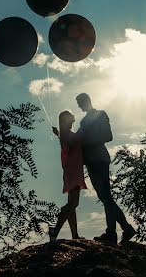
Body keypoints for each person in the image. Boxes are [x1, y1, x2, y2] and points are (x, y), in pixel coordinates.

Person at [58, 93, 137, 245]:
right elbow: (75, 141)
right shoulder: (83, 121)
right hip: (91, 162)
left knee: (106, 197)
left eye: (80, 102)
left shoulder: (100, 115)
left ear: (87, 101)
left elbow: (108, 136)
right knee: (105, 198)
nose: (79, 106)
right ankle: (120, 230)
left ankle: (115, 232)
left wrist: (86, 140)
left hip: (99, 159)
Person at [48, 110, 86, 241]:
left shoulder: (65, 135)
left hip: (72, 170)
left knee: (72, 204)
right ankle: (55, 230)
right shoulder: (68, 136)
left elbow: (65, 143)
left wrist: (58, 134)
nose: (73, 117)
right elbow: (68, 145)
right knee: (73, 203)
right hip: (73, 171)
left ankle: (74, 235)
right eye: (71, 116)